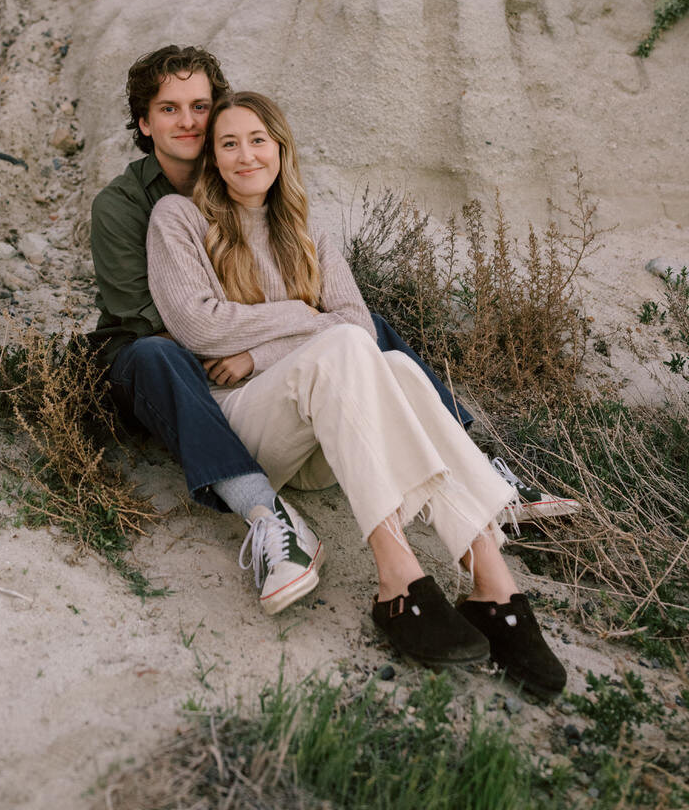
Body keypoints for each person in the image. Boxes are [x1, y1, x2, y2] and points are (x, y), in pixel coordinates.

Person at [144, 91, 566, 694]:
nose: (245, 155)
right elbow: (200, 325)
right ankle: (397, 575)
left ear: (280, 148)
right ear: (211, 158)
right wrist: (307, 320)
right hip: (247, 427)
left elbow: (361, 328)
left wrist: (258, 350)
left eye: (258, 140)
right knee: (347, 349)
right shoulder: (178, 219)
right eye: (228, 143)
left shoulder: (310, 228)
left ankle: (492, 584)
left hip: (330, 436)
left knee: (395, 368)